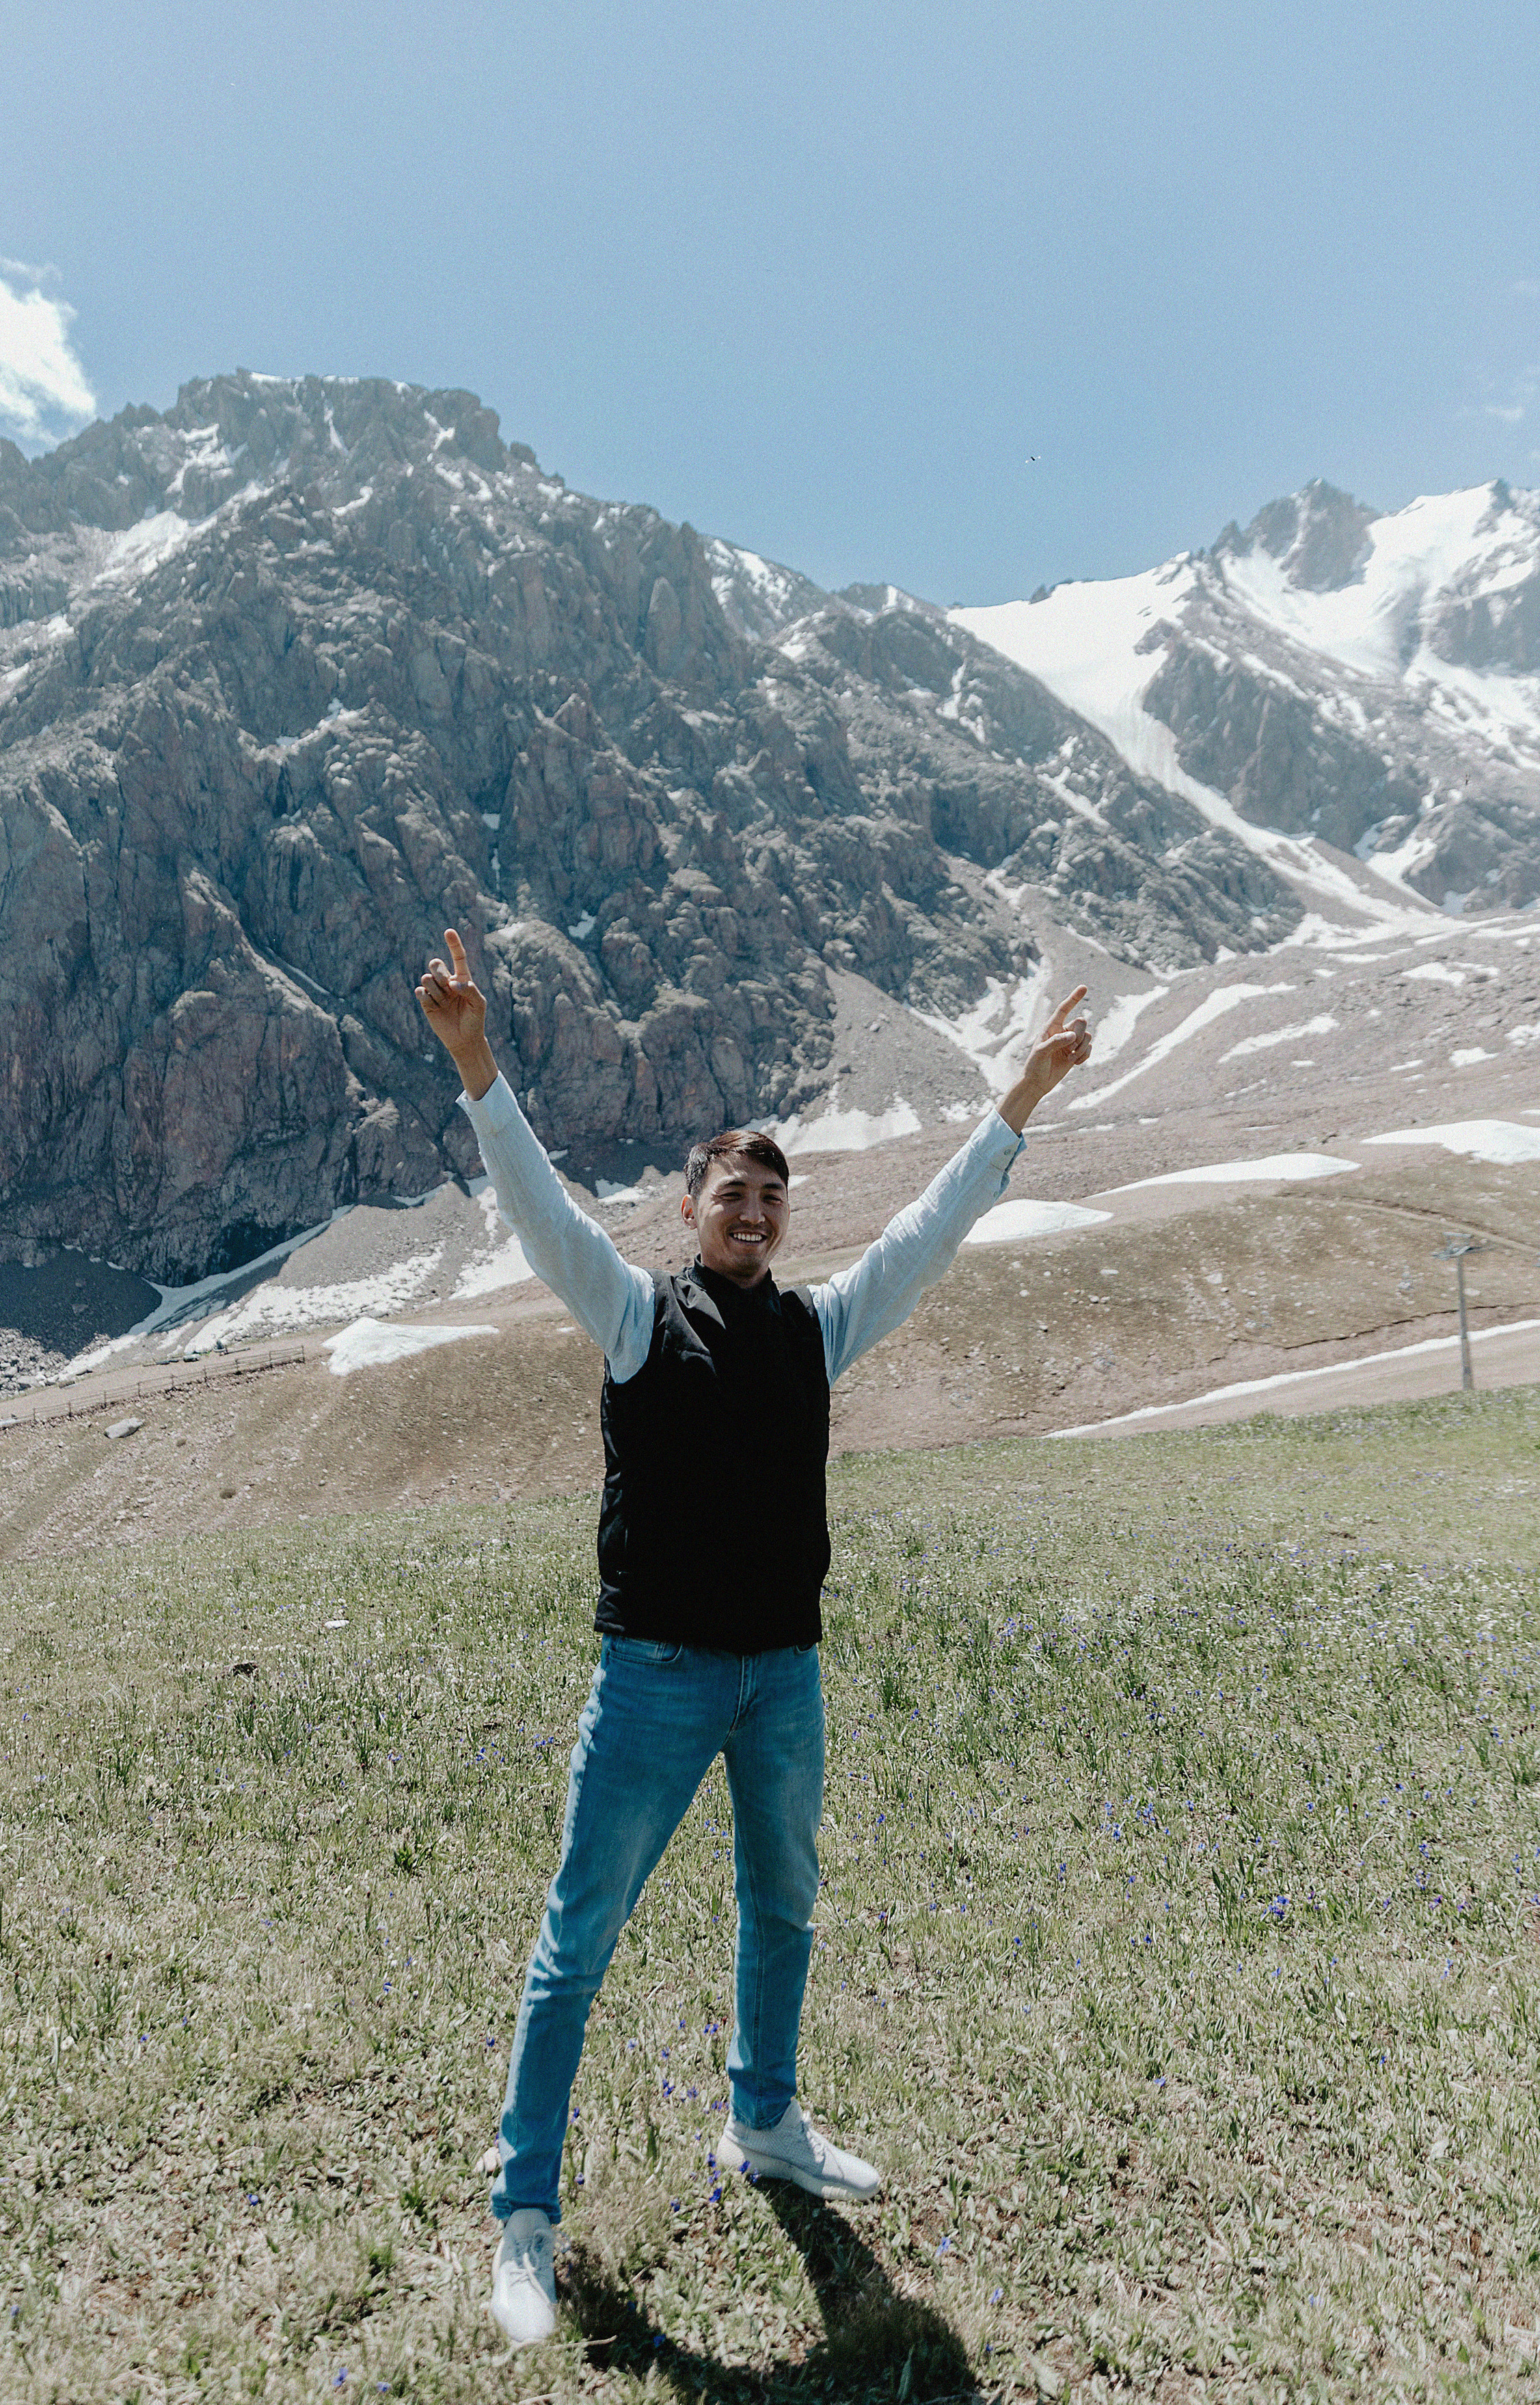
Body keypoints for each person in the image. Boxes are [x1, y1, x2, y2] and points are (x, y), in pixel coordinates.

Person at [415, 929, 1092, 2346]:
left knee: (782, 1905)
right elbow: (541, 1217)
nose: (754, 1215)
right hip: (654, 1678)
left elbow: (925, 1234)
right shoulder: (633, 1317)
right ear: (689, 1209)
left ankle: (764, 2125)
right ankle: (524, 2212)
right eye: (732, 1194)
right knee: (576, 1940)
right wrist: (479, 1071)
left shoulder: (816, 1332)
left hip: (782, 1677)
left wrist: (1014, 1103)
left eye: (772, 1199)